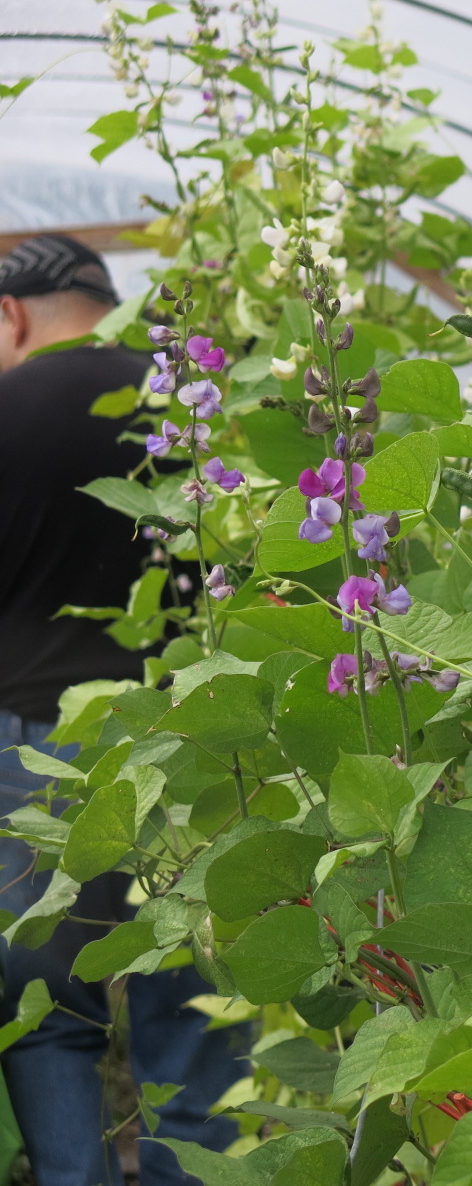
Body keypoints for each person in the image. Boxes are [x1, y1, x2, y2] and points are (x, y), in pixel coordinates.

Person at [0, 234, 249, 1186]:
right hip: (188, 736)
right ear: (107, 300)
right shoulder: (190, 401)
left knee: (49, 1007)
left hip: (34, 746)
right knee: (191, 996)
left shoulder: (5, 406)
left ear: (14, 313)